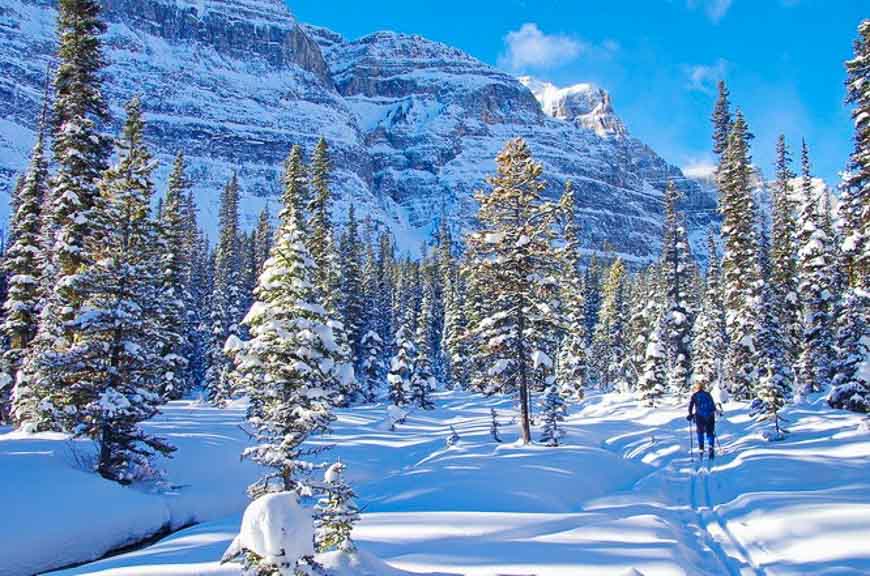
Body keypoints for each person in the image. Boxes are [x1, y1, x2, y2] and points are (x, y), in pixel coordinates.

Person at [687, 381, 717, 459]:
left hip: (700, 417)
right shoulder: (708, 394)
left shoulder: (694, 396)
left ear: (696, 388)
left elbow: (690, 406)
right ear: (703, 387)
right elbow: (713, 406)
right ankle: (711, 446)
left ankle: (701, 448)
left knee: (700, 432)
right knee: (710, 432)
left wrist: (690, 415)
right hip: (710, 416)